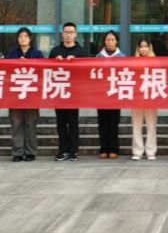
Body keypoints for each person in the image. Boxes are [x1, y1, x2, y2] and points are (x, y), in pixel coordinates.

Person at [48, 22, 87, 161]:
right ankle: (63, 150)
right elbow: (47, 71)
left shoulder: (81, 52)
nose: (68, 35)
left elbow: (86, 72)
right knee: (61, 123)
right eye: (66, 32)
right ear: (62, 34)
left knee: (73, 122)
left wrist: (76, 62)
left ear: (76, 34)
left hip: (74, 92)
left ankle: (73, 150)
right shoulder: (55, 51)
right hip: (59, 91)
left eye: (71, 32)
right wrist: (55, 62)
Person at [5, 26, 45, 162]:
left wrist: (29, 63)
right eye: (20, 36)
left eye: (25, 36)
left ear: (30, 38)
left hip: (32, 94)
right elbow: (6, 71)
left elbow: (42, 71)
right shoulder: (12, 54)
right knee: (16, 124)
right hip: (15, 94)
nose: (23, 39)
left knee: (30, 124)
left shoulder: (37, 53)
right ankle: (17, 152)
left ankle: (30, 151)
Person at [94, 30, 125, 159]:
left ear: (116, 41)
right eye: (108, 40)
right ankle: (103, 148)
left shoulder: (122, 57)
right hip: (101, 94)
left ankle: (114, 149)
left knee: (114, 122)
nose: (110, 42)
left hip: (115, 94)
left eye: (112, 40)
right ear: (104, 42)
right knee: (102, 122)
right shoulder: (98, 57)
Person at [129, 38, 158, 160]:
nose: (143, 49)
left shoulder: (156, 62)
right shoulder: (133, 62)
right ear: (138, 48)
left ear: (150, 48)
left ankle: (151, 151)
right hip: (137, 97)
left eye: (146, 46)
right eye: (141, 46)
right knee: (136, 125)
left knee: (151, 125)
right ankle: (137, 151)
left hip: (151, 97)